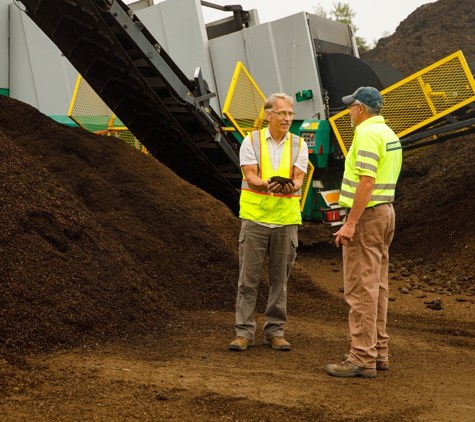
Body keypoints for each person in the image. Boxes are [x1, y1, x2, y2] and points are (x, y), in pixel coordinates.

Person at [326, 86, 402, 377]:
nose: (348, 111)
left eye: (351, 106)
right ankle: (377, 351)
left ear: (361, 108)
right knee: (377, 286)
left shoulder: (366, 134)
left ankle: (361, 358)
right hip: (385, 214)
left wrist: (350, 223)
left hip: (368, 217)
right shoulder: (388, 133)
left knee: (360, 289)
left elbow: (367, 182)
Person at [229, 93, 308, 352]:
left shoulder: (299, 144)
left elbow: (298, 179)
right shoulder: (251, 141)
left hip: (285, 221)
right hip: (256, 219)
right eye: (283, 113)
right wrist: (268, 184)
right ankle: (244, 333)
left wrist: (291, 186)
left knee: (280, 281)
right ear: (269, 115)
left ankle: (275, 332)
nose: (287, 118)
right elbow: (250, 175)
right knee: (247, 280)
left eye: (290, 114)